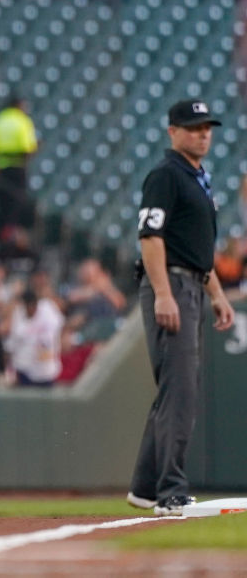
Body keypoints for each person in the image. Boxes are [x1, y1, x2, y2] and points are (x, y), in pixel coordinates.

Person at [128, 99, 234, 517]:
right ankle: (170, 491)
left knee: (177, 390)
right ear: (173, 131)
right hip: (170, 283)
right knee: (181, 393)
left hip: (191, 280)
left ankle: (143, 487)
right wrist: (164, 293)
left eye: (207, 127)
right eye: (193, 127)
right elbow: (150, 236)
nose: (202, 133)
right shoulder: (166, 175)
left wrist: (217, 294)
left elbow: (196, 249)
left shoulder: (197, 177)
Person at [0, 95, 38, 240]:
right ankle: (8, 237)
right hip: (17, 168)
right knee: (15, 206)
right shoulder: (23, 121)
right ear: (18, 105)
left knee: (0, 206)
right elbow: (29, 149)